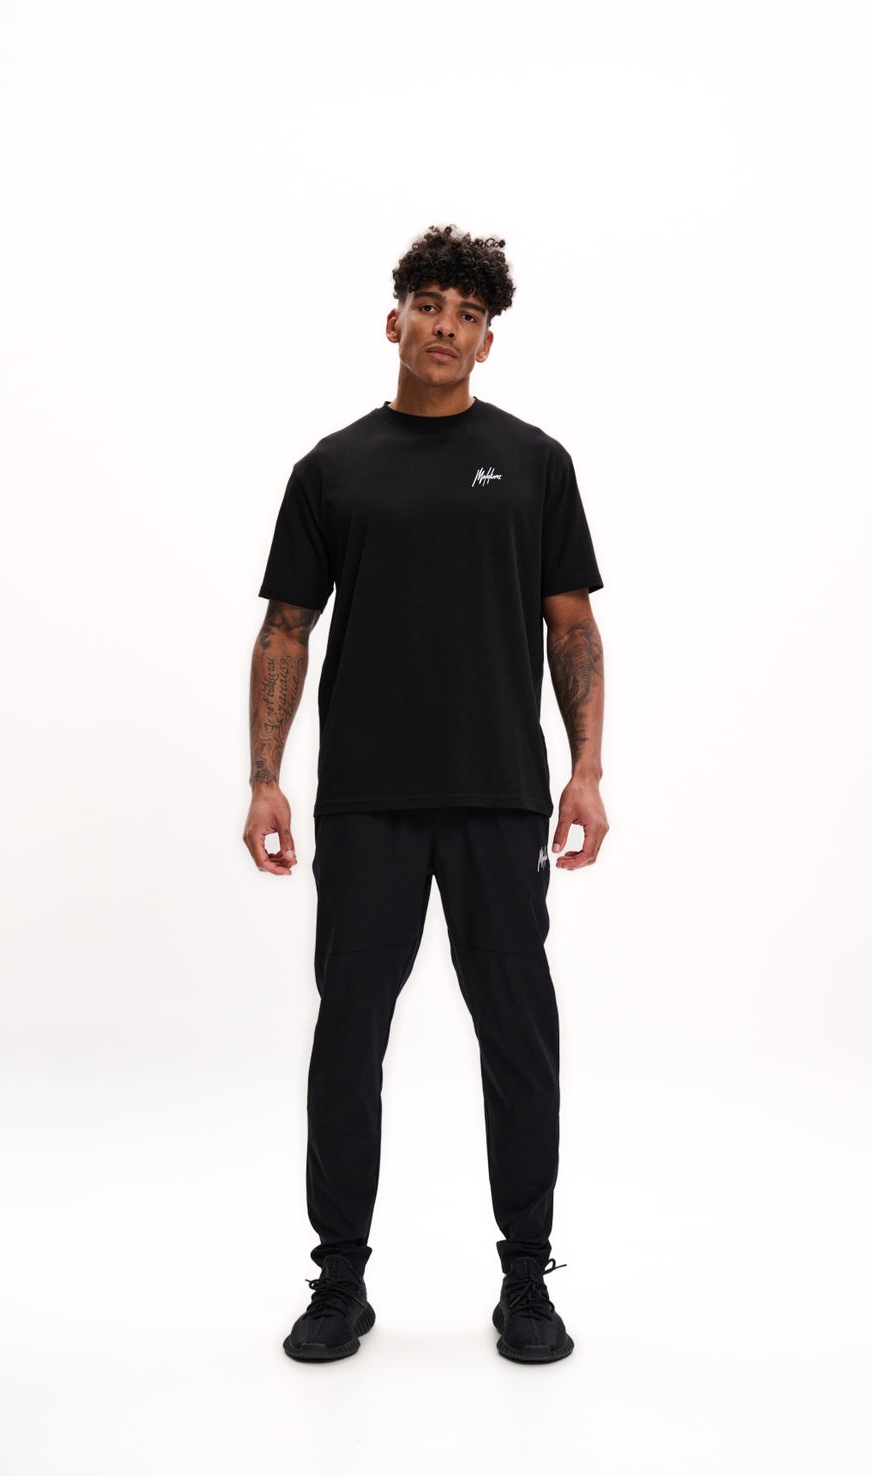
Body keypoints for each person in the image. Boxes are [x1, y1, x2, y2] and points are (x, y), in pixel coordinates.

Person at [245, 225, 607, 1364]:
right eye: (430, 305)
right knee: (349, 1037)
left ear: (487, 341)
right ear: (393, 319)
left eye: (468, 314)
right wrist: (265, 780)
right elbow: (287, 628)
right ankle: (338, 1283)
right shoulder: (333, 469)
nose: (446, 327)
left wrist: (587, 769)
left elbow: (571, 625)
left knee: (519, 1038)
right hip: (366, 800)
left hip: (501, 797)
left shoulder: (535, 462)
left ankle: (527, 1281)